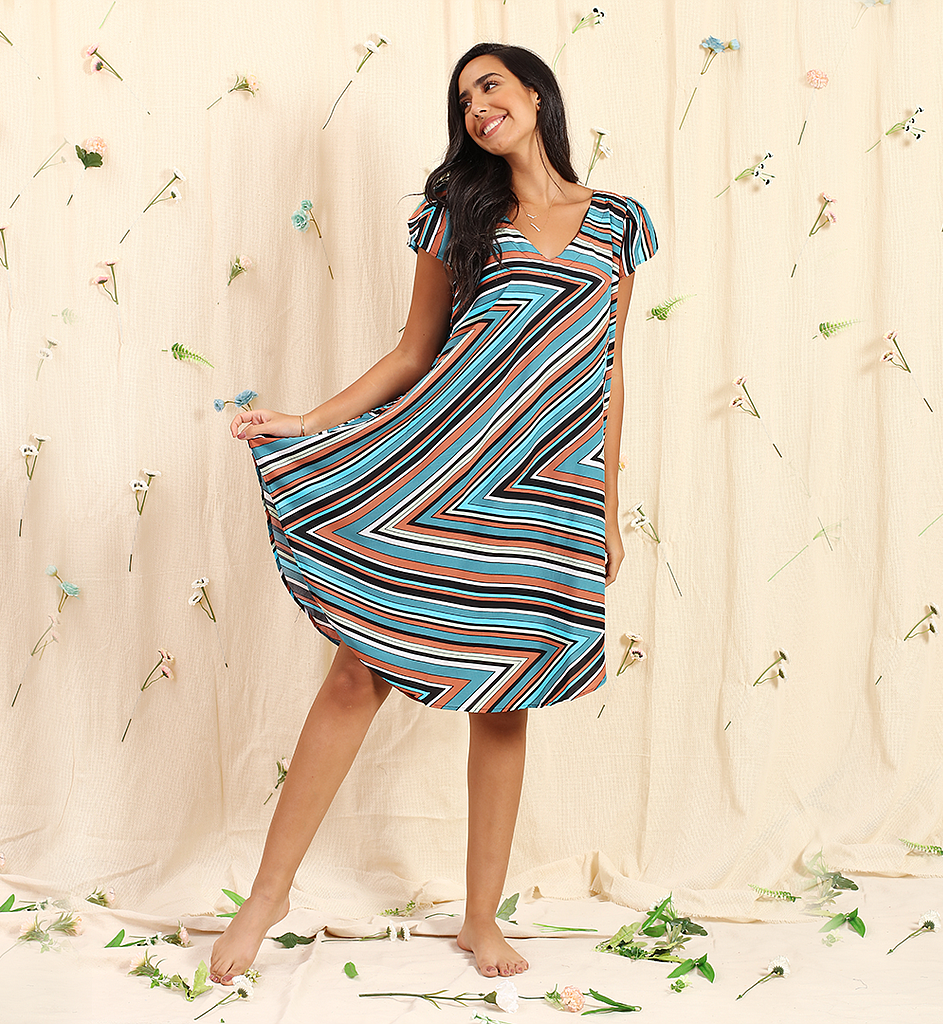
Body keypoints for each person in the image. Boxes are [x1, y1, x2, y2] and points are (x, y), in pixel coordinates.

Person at [210, 41, 656, 985]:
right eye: (463, 99)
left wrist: (609, 507)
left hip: (547, 492)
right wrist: (310, 421)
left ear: (535, 93)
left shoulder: (618, 222)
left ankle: (480, 919)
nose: (477, 106)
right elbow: (414, 351)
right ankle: (267, 897)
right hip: (437, 470)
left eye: (490, 86)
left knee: (506, 698)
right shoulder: (459, 211)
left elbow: (610, 372)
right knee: (355, 675)